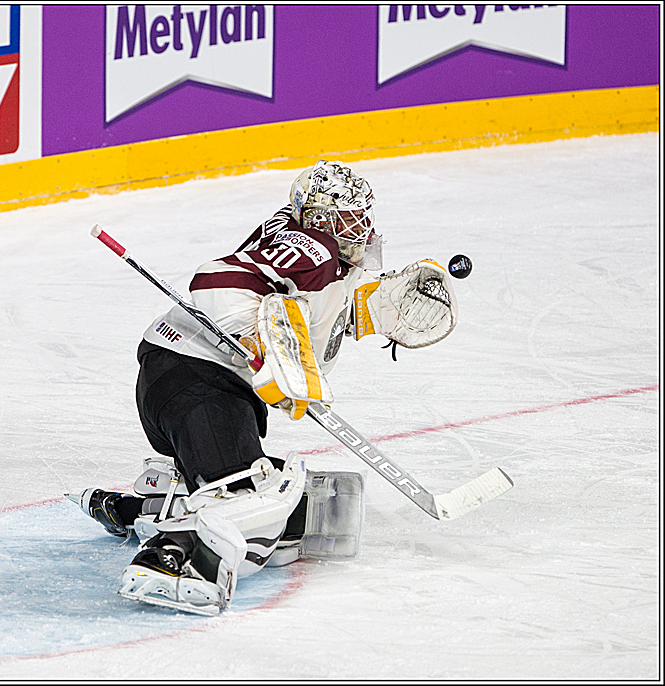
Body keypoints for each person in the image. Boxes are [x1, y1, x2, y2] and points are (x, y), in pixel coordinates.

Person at [72, 160, 456, 614]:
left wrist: (376, 310)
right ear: (316, 219)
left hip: (186, 381)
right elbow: (214, 279)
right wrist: (257, 339)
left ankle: (150, 507)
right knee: (249, 498)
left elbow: (310, 314)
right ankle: (171, 558)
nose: (360, 227)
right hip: (196, 381)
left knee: (294, 514)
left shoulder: (327, 258)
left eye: (362, 215)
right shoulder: (309, 249)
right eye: (347, 218)